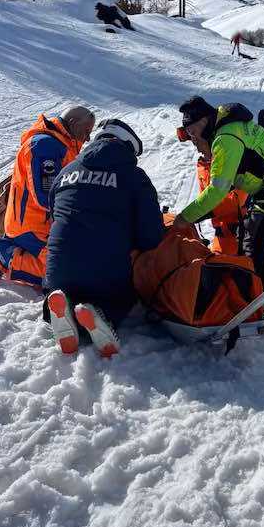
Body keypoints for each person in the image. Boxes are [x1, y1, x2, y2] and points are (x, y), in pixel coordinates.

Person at [44, 118, 163, 356]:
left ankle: (59, 306)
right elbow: (151, 237)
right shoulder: (134, 176)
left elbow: (53, 213)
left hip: (58, 269)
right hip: (104, 273)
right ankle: (103, 315)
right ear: (128, 148)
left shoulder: (66, 171)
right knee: (121, 293)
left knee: (65, 282)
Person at [173, 95, 264, 291]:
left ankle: (260, 302)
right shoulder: (228, 129)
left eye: (193, 132)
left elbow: (218, 190)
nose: (193, 140)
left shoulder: (225, 139)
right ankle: (253, 293)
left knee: (254, 243)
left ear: (205, 122)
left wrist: (185, 217)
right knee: (250, 237)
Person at [0, 107, 95, 287]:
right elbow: (46, 194)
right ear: (73, 124)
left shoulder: (61, 146)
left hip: (40, 223)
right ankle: (5, 254)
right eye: (87, 131)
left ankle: (11, 254)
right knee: (62, 272)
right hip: (32, 226)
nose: (88, 137)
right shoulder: (45, 146)